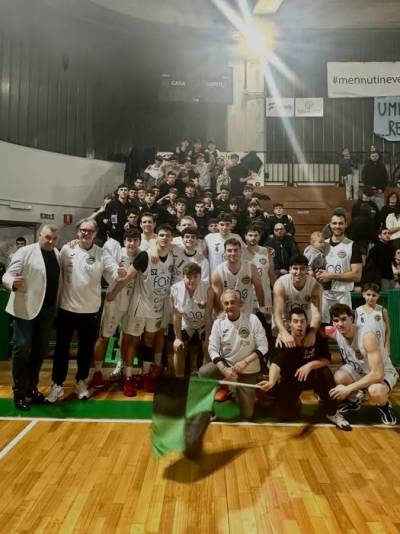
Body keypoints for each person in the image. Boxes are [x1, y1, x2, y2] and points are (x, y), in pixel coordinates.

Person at [46, 219, 126, 403]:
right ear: (77, 232)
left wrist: (119, 272)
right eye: (82, 230)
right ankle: (57, 384)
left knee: (85, 349)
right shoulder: (67, 250)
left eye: (89, 231)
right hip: (66, 309)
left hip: (90, 312)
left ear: (95, 234)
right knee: (61, 349)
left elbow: (113, 269)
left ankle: (81, 382)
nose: (85, 233)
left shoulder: (101, 253)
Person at [258, 308, 351, 430]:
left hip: (312, 377)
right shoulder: (283, 340)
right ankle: (293, 401)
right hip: (291, 380)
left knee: (325, 372)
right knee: (281, 414)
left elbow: (327, 359)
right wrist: (271, 381)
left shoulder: (316, 336)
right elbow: (276, 364)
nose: (299, 325)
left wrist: (309, 366)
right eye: (295, 321)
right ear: (289, 324)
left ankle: (332, 412)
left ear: (307, 323)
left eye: (302, 321)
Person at [108, 224, 174, 396]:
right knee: (132, 342)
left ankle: (146, 375)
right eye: (161, 235)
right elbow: (128, 276)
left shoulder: (172, 257)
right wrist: (114, 292)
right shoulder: (145, 256)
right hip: (139, 307)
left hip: (157, 309)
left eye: (167, 235)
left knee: (149, 343)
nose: (164, 238)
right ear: (156, 237)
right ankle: (128, 377)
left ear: (171, 239)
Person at [2, 224, 60, 410]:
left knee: (39, 351)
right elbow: (7, 275)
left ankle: (31, 388)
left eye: (54, 238)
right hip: (25, 310)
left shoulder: (57, 253)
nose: (50, 241)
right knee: (21, 348)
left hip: (47, 311)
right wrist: (12, 282)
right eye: (47, 237)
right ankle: (19, 393)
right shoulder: (25, 252)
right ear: (40, 236)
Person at [199, 290, 269, 420]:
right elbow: (212, 348)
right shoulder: (218, 323)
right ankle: (208, 410)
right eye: (226, 303)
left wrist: (245, 362)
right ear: (222, 306)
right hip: (228, 365)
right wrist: (223, 369)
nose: (229, 306)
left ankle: (241, 392)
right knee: (204, 373)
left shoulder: (253, 320)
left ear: (240, 303)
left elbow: (264, 346)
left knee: (247, 415)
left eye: (232, 302)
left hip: (248, 367)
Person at [328, 303, 398, 425]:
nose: (340, 324)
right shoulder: (335, 332)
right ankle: (355, 401)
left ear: (352, 319)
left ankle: (384, 406)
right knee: (339, 377)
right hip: (361, 369)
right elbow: (319, 329)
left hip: (383, 372)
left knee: (376, 391)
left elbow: (377, 374)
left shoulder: (366, 336)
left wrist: (348, 388)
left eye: (344, 319)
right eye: (336, 321)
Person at [90, 229, 142, 388]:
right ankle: (98, 372)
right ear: (124, 241)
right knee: (105, 336)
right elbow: (105, 267)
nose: (132, 243)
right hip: (115, 300)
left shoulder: (143, 255)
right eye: (129, 240)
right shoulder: (116, 252)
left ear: (139, 242)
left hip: (133, 303)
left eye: (135, 240)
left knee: (128, 338)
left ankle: (125, 373)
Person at [316, 212, 362, 324]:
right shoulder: (322, 245)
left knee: (344, 328)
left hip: (343, 294)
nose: (337, 226)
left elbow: (357, 276)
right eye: (335, 223)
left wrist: (331, 276)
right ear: (330, 225)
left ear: (346, 224)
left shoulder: (352, 246)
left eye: (341, 223)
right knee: (323, 328)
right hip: (324, 294)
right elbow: (314, 268)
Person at [170, 263, 214, 377]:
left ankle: (205, 379)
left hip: (203, 323)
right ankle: (179, 379)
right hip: (187, 323)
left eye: (195, 276)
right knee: (178, 347)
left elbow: (208, 315)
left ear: (200, 276)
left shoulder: (208, 289)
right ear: (183, 276)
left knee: (209, 346)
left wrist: (207, 338)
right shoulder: (175, 289)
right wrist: (177, 338)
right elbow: (176, 316)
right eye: (188, 277)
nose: (192, 280)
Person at [273, 254, 321, 348]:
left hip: (304, 323)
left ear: (307, 269)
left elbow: (316, 314)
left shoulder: (314, 286)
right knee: (281, 346)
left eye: (302, 268)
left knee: (312, 345)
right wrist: (283, 332)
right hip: (285, 322)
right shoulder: (280, 284)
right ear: (290, 269)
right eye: (295, 268)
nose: (298, 272)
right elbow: (277, 313)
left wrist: (312, 333)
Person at [211, 238, 265, 315]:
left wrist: (262, 307)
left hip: (247, 313)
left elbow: (259, 288)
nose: (233, 253)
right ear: (225, 252)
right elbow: (217, 297)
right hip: (227, 314)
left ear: (241, 251)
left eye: (236, 250)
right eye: (229, 250)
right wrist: (221, 313)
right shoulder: (217, 272)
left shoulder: (251, 268)